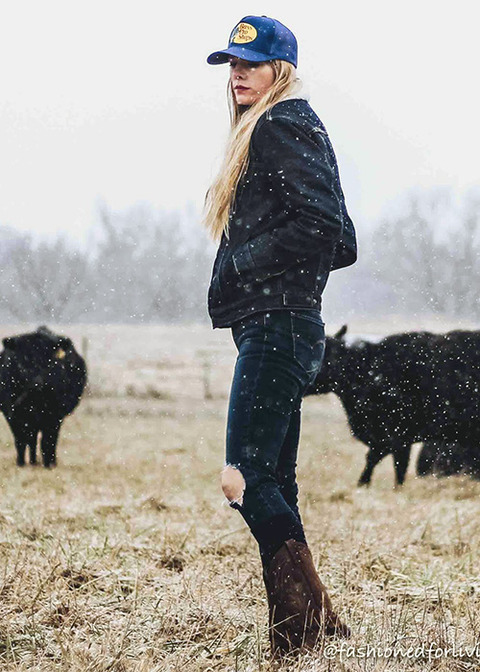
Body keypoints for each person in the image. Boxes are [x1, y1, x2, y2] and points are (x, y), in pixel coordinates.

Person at [203, 15, 357, 656]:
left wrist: (242, 263)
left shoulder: (282, 123)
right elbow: (339, 235)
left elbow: (326, 229)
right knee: (277, 479)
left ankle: (299, 630)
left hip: (278, 325)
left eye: (251, 63)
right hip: (281, 325)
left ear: (280, 70)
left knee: (244, 475)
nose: (238, 73)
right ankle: (315, 626)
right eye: (232, 64)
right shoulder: (279, 127)